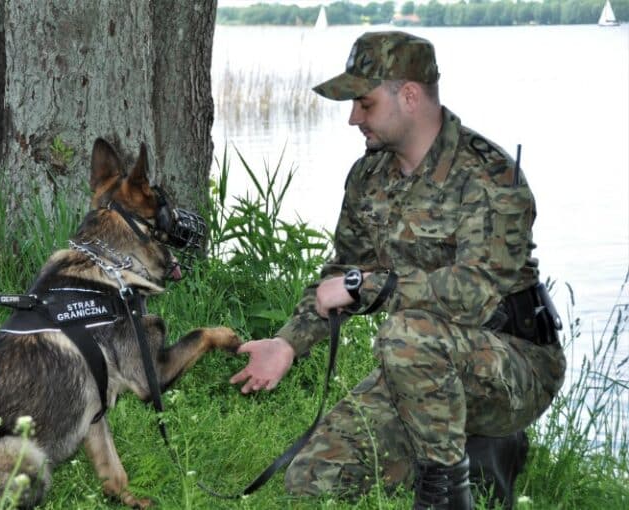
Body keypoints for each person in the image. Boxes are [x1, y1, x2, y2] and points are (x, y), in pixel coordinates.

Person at [229, 31, 566, 509]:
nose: (352, 118)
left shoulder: (489, 177)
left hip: (515, 362)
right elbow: (340, 275)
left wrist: (375, 287)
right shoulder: (369, 178)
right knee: (312, 478)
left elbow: (476, 294)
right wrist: (288, 342)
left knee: (405, 335)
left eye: (363, 103)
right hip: (419, 365)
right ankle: (459, 445)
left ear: (408, 95)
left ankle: (449, 490)